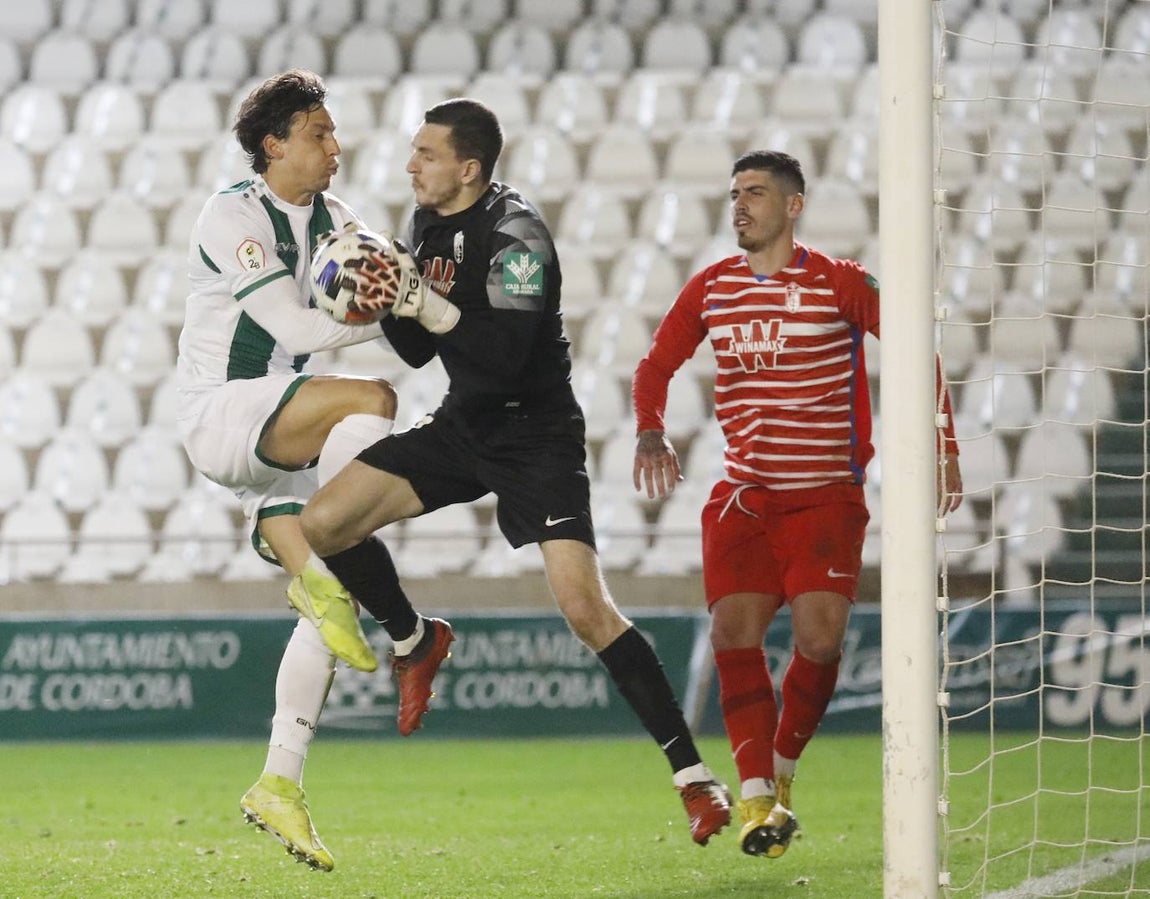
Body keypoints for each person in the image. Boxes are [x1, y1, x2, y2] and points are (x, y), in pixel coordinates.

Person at [289, 97, 733, 846]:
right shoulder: (424, 221)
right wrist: (385, 297)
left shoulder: (517, 233)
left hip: (537, 433)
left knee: (586, 609)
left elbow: (501, 360)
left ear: (469, 168)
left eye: (425, 154)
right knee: (324, 521)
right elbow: (419, 352)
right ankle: (415, 638)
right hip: (467, 423)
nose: (410, 165)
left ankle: (695, 778)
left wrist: (418, 300)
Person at [631, 150, 963, 859]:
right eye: (734, 194)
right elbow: (655, 364)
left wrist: (945, 443)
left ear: (793, 205)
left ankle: (781, 773)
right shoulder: (712, 289)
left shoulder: (840, 283)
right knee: (732, 634)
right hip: (746, 498)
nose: (741, 205)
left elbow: (914, 346)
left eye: (755, 192)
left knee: (819, 639)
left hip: (824, 499)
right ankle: (754, 797)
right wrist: (650, 427)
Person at [175, 69, 401, 872]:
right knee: (372, 396)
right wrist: (390, 308)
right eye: (318, 134)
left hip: (283, 423)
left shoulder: (339, 220)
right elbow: (288, 320)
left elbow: (389, 284)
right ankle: (327, 542)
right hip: (227, 410)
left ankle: (280, 782)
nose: (335, 148)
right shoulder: (231, 212)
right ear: (273, 144)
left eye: (334, 134)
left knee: (326, 620)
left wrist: (419, 299)